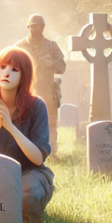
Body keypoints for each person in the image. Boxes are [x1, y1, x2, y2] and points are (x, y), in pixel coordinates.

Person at [0, 47, 54, 223]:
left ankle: (28, 220)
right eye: (3, 67)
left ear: (24, 76)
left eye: (15, 69)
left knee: (25, 193)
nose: (7, 73)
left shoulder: (37, 106)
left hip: (30, 173)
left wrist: (10, 126)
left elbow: (38, 158)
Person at [14, 14, 66, 150]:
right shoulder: (20, 46)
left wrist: (51, 64)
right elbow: (11, 66)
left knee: (51, 123)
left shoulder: (51, 46)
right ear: (29, 27)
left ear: (43, 27)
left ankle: (52, 151)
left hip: (48, 91)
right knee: (23, 121)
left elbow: (62, 67)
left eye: (40, 25)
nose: (37, 28)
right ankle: (25, 150)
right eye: (34, 25)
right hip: (26, 90)